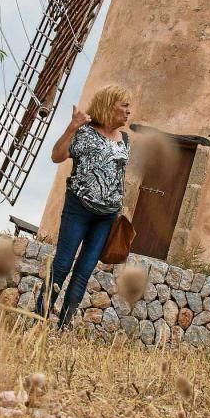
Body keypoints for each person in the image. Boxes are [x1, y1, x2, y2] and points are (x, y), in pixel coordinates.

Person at [37, 84, 132, 327]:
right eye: (124, 105)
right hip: (78, 209)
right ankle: (39, 318)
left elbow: (118, 175)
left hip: (106, 217)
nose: (129, 111)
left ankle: (63, 325)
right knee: (62, 265)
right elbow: (57, 156)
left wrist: (121, 206)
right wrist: (72, 126)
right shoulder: (85, 133)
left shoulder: (125, 140)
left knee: (84, 271)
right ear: (109, 106)